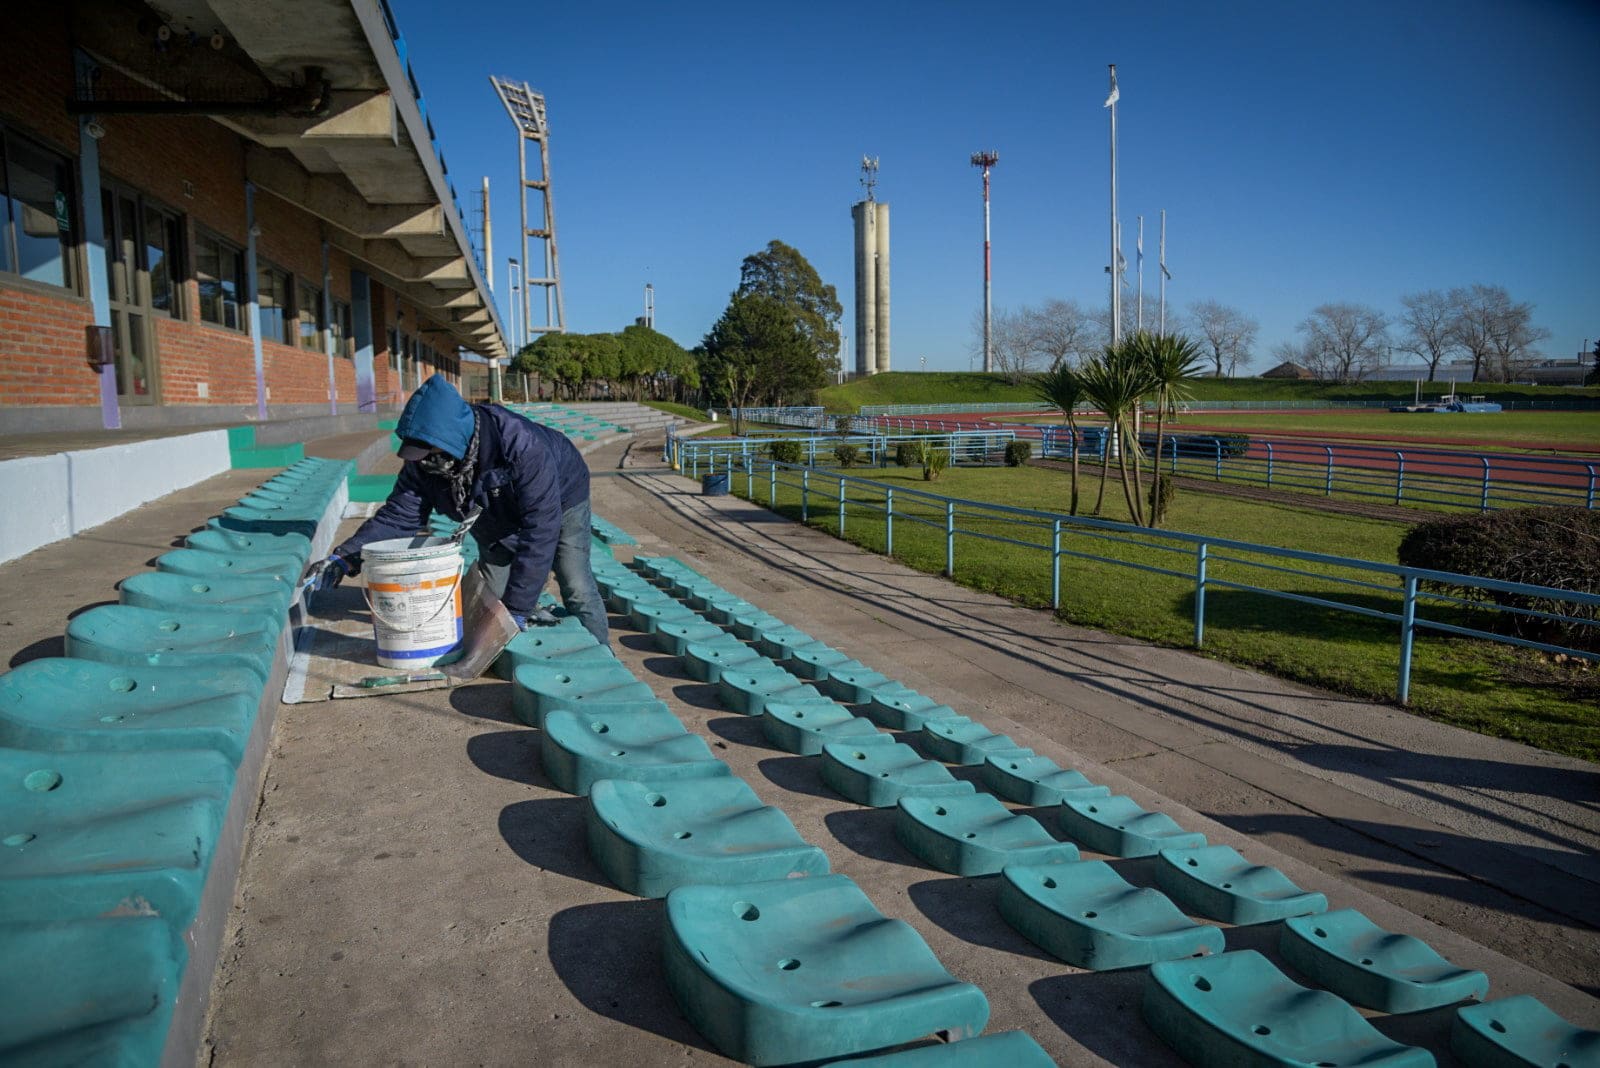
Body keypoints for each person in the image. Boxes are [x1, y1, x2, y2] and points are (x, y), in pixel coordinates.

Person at [304, 375, 608, 645]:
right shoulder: (424, 467)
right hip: (490, 506)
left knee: (574, 579)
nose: (424, 463)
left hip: (563, 494)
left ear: (453, 442)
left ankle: (600, 653)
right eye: (418, 456)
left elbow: (541, 531)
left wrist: (518, 610)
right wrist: (345, 557)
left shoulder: (521, 447)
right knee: (492, 597)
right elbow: (399, 517)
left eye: (430, 455)